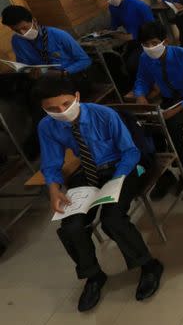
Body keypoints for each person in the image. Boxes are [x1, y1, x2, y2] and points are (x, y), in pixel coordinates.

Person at [36, 74, 163, 312]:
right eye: (52, 109)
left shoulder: (103, 114)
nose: (61, 111)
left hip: (124, 168)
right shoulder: (47, 126)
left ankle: (148, 265)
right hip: (89, 172)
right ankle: (94, 276)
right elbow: (51, 163)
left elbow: (130, 152)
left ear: (77, 97)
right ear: (43, 109)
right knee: (70, 226)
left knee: (112, 219)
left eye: (65, 104)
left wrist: (116, 182)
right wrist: (53, 189)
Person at [133, 21, 183, 177]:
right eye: (146, 44)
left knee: (172, 126)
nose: (150, 48)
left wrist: (176, 109)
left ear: (164, 41)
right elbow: (141, 79)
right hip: (170, 98)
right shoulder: (144, 58)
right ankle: (163, 174)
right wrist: (140, 95)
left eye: (154, 43)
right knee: (149, 127)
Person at [1, 5, 92, 91]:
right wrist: (30, 73)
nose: (22, 33)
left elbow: (85, 60)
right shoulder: (17, 41)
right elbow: (24, 66)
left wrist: (64, 72)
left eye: (24, 28)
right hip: (43, 80)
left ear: (34, 21)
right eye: (16, 30)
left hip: (68, 76)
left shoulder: (58, 35)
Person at [95, 0, 155, 81]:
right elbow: (114, 25)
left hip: (147, 41)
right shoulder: (113, 7)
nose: (108, 1)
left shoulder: (138, 5)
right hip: (132, 42)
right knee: (117, 62)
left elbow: (153, 29)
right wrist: (107, 32)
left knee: (132, 64)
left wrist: (128, 36)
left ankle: (149, 85)